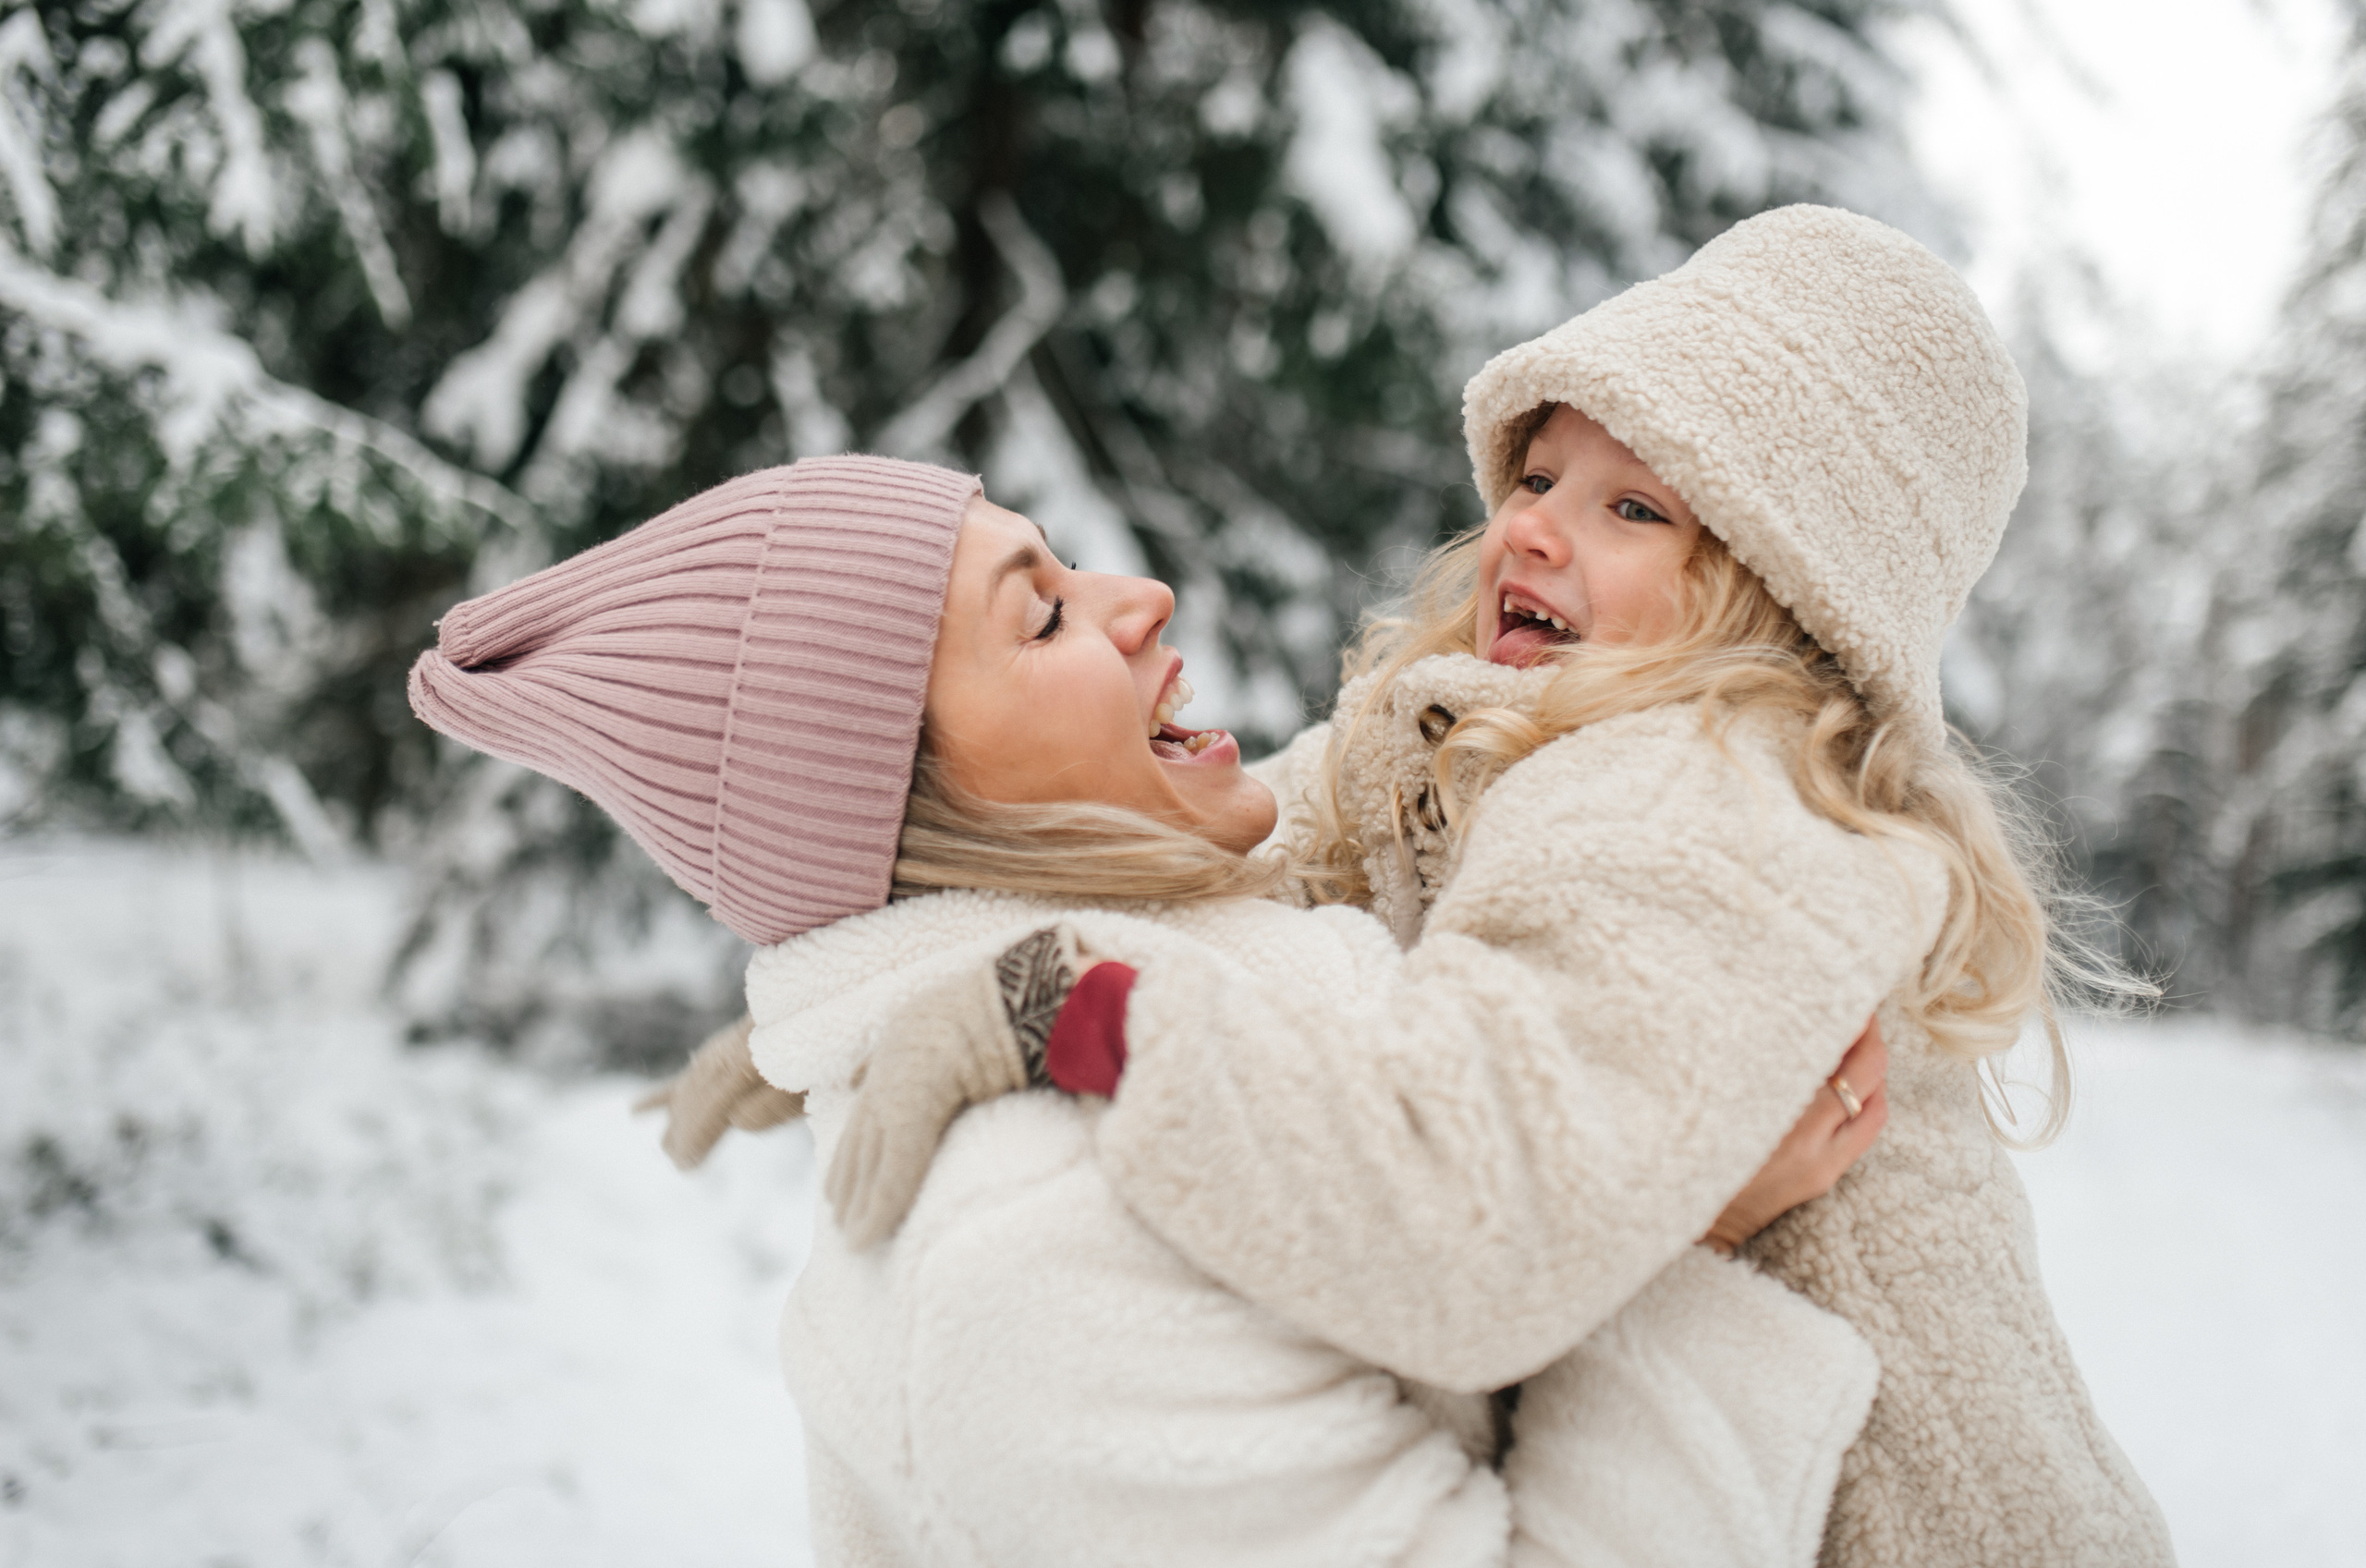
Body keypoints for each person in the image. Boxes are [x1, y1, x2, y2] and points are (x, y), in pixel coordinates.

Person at [823, 206, 2176, 1568]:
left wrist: (1075, 1006)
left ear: (1776, 602)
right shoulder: (1519, 740)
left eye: (1634, 507)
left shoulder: (1697, 798)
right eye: (1537, 472)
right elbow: (1270, 834)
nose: (1531, 530)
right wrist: (864, 962)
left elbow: (1456, 1215)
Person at [411, 456, 1893, 1567]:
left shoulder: (1217, 959)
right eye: (1043, 617)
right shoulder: (1033, 1251)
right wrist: (1683, 1241)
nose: (1141, 599)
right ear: (917, 814)